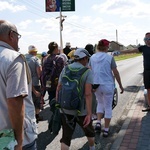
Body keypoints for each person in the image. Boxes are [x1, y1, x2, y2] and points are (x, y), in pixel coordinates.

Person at [0, 20, 37, 149]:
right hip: (10, 138)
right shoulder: (13, 58)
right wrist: (19, 142)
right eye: (17, 36)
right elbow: (15, 101)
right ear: (11, 35)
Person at [56, 48, 95, 150]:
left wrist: (59, 104)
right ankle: (92, 147)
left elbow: (59, 88)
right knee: (89, 131)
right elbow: (88, 94)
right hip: (81, 110)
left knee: (66, 137)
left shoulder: (66, 69)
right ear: (85, 58)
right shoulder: (87, 72)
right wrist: (89, 113)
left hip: (65, 108)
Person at [89, 39, 124, 137]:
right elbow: (115, 72)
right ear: (106, 47)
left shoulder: (92, 57)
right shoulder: (109, 58)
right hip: (108, 85)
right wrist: (120, 85)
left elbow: (90, 71)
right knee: (108, 106)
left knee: (100, 103)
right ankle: (106, 129)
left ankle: (99, 122)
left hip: (96, 85)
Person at [25, 45, 43, 123]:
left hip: (25, 83)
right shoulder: (36, 59)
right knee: (37, 100)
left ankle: (29, 117)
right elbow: (39, 72)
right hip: (35, 83)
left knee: (29, 100)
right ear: (35, 52)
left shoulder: (24, 59)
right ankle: (37, 116)